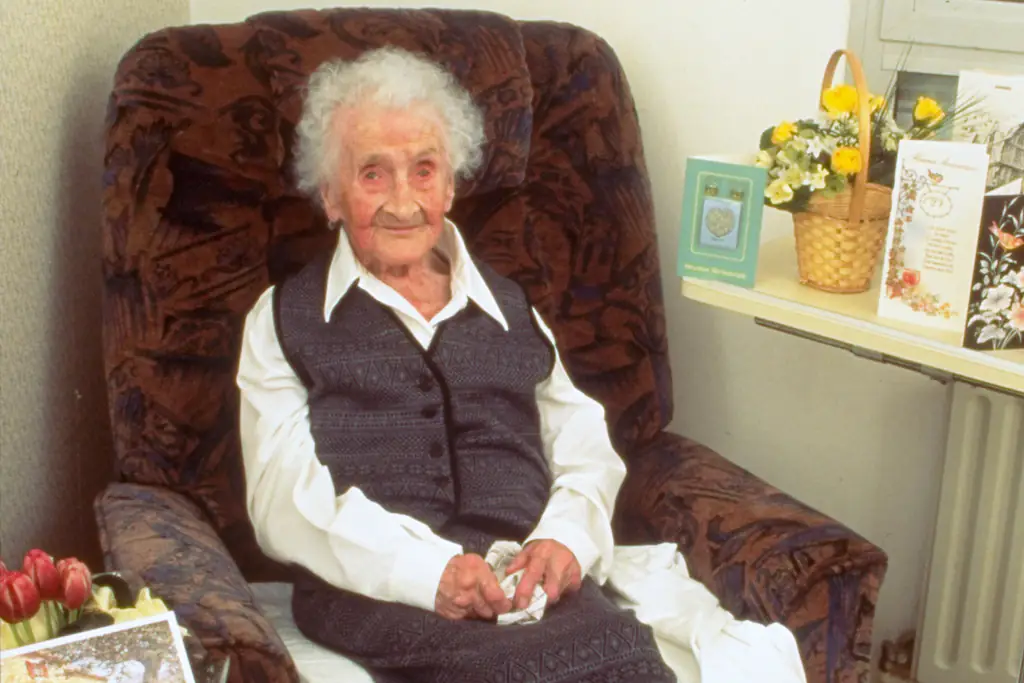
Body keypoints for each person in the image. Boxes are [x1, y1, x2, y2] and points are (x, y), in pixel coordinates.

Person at [236, 46, 675, 682]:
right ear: (329, 196)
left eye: (422, 169)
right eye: (372, 175)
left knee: (631, 661)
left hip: (527, 586)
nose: (403, 200)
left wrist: (565, 541)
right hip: (378, 590)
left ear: (450, 183)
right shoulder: (283, 317)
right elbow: (281, 499)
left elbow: (583, 444)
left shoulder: (508, 303)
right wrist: (426, 572)